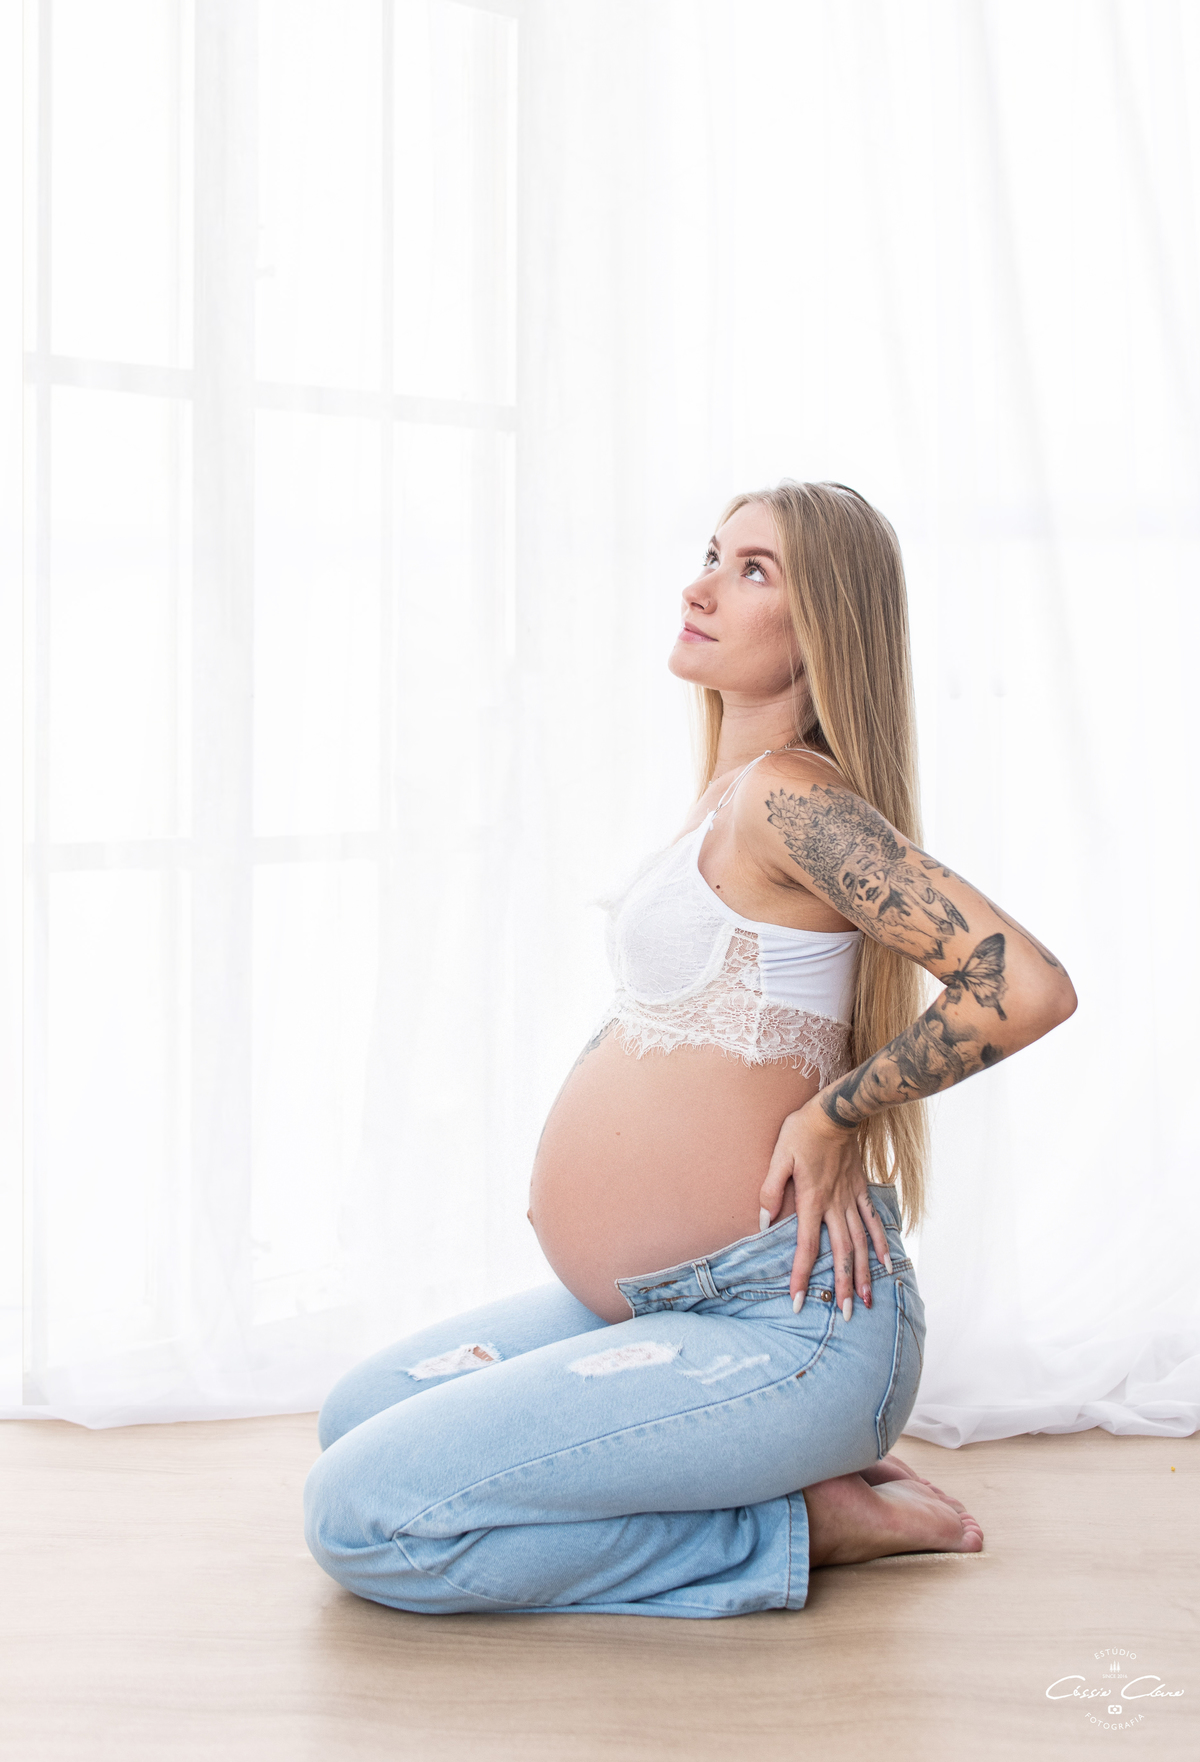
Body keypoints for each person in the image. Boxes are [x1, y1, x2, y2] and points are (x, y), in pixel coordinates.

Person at [304, 480, 1076, 1618]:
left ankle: (793, 1523)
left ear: (821, 630)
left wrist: (838, 1113)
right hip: (671, 1300)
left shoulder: (789, 799)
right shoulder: (727, 795)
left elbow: (1024, 983)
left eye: (753, 570)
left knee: (360, 1518)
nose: (700, 586)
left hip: (786, 1322)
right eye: (713, 554)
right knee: (360, 1417)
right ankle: (767, 1472)